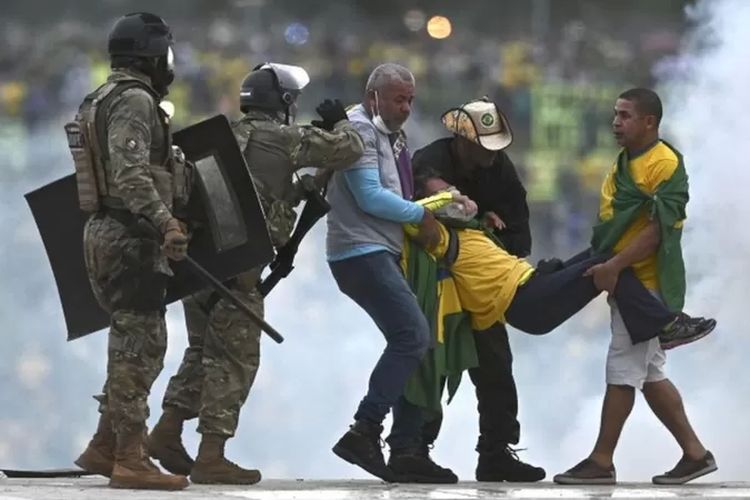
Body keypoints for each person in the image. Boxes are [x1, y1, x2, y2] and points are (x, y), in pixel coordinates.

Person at [146, 63, 365, 484]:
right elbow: (349, 149)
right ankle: (212, 455)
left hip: (200, 268)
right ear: (282, 102)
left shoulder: (222, 136)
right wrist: (340, 122)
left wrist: (298, 189)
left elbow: (255, 192)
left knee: (201, 352)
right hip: (238, 273)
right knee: (234, 360)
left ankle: (166, 433)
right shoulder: (283, 138)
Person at [553, 88, 717, 485]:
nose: (616, 122)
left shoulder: (664, 163)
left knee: (622, 370)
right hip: (624, 277)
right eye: (615, 114)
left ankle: (601, 461)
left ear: (649, 122)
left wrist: (615, 265)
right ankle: (696, 455)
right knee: (652, 376)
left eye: (625, 116)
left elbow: (658, 230)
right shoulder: (626, 160)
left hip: (647, 286)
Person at [72, 12, 189, 490]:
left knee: (130, 346)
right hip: (130, 236)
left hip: (105, 229)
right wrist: (166, 221)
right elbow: (130, 173)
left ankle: (104, 444)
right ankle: (129, 458)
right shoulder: (135, 100)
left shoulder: (99, 97)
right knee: (139, 349)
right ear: (152, 56)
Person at [325, 63, 457, 483]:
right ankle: (365, 430)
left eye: (411, 100)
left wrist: (445, 203)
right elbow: (370, 197)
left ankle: (389, 440)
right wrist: (422, 213)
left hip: (376, 251)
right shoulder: (360, 132)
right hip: (360, 252)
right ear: (373, 97)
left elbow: (394, 194)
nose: (406, 108)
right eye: (399, 99)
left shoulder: (387, 135)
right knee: (412, 336)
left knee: (409, 339)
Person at [412, 97, 545, 482]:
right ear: (461, 140)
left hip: (482, 285)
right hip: (438, 283)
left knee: (496, 367)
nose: (491, 155)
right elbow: (418, 208)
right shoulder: (429, 160)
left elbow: (520, 238)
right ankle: (414, 449)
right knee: (431, 364)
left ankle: (496, 452)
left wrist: (486, 232)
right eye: (482, 147)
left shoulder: (501, 171)